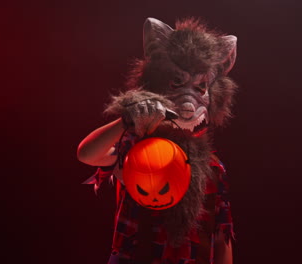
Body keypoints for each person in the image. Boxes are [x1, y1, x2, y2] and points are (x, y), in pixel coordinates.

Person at [77, 17, 238, 264]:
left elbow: (221, 234)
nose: (188, 101)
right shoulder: (134, 147)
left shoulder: (214, 168)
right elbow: (87, 154)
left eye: (201, 86)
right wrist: (127, 119)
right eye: (177, 82)